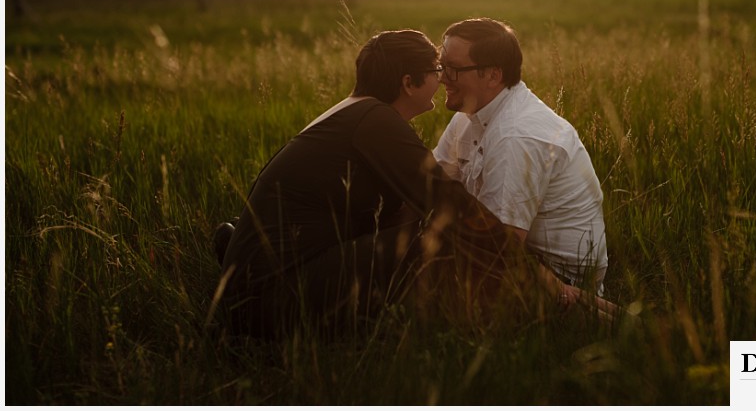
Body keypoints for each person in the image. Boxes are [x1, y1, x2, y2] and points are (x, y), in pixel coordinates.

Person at [214, 29, 608, 339]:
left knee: (426, 232)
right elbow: (450, 203)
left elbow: (409, 205)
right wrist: (544, 279)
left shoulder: (354, 113)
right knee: (433, 236)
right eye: (438, 72)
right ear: (408, 82)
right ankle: (563, 308)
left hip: (265, 290)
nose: (443, 81)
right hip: (273, 302)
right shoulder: (375, 122)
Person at [433, 18, 608, 292]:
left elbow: (500, 247)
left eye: (453, 69)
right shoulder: (470, 114)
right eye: (441, 65)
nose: (442, 77)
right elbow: (432, 184)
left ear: (493, 75)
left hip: (557, 279)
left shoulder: (516, 136)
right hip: (512, 257)